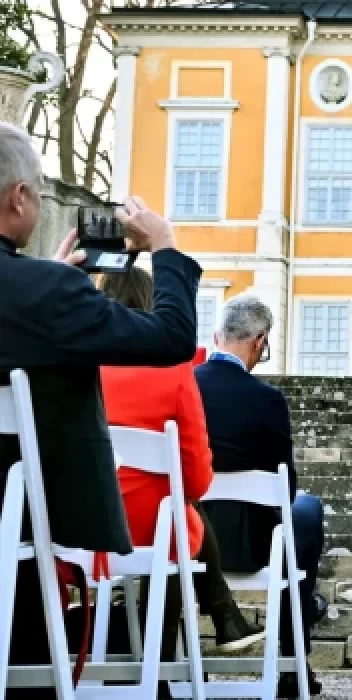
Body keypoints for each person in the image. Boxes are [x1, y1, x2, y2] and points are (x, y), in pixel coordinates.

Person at [0, 121, 202, 698]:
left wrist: (54, 283)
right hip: (18, 523)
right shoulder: (43, 294)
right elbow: (170, 338)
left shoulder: (45, 290)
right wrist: (164, 247)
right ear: (19, 198)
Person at [97, 268, 265, 656]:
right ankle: (170, 654)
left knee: (176, 519)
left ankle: (212, 624)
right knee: (177, 518)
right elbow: (196, 481)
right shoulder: (173, 374)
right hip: (149, 525)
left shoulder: (74, 372)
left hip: (79, 527)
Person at [195, 294, 325, 699]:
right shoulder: (269, 401)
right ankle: (293, 654)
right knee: (306, 512)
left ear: (217, 336)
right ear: (259, 342)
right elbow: (283, 493)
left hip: (189, 539)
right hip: (252, 546)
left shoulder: (186, 387)